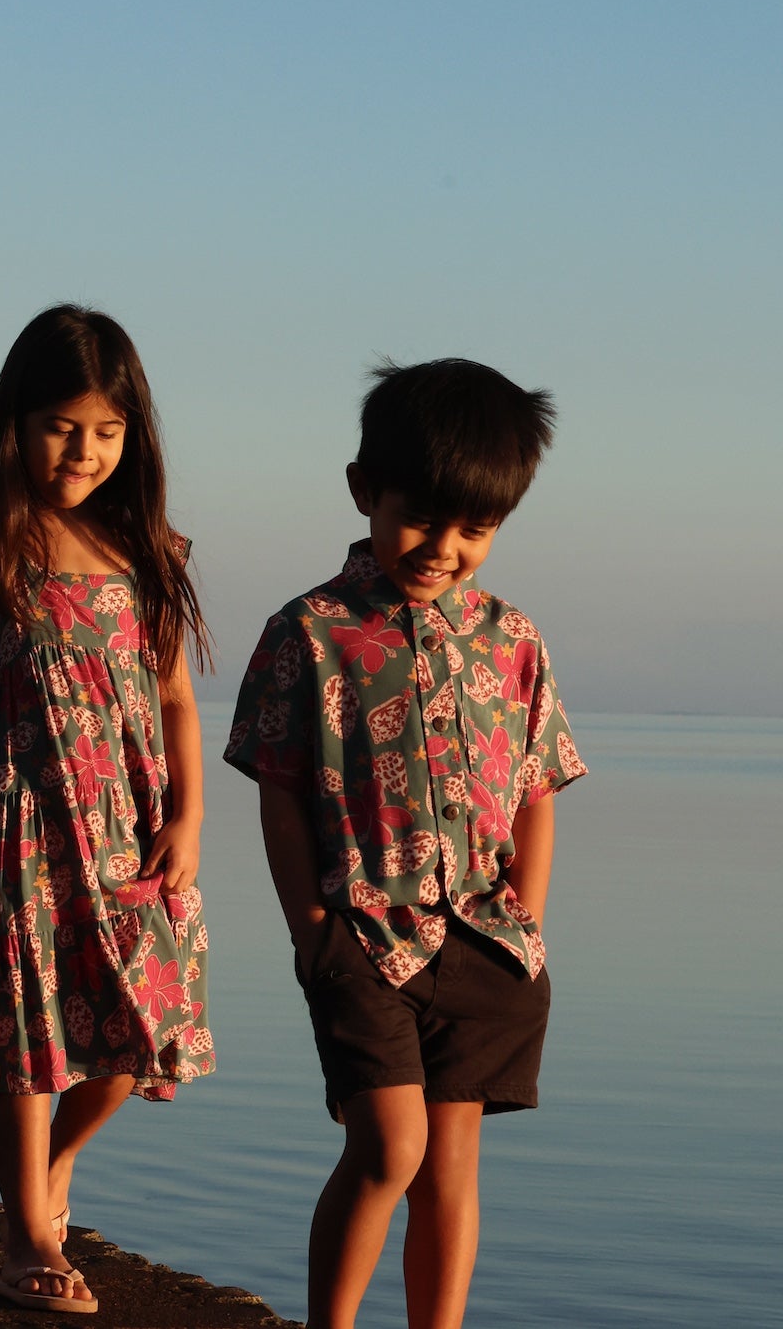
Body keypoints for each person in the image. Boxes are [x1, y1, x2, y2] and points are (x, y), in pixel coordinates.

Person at [224, 357, 586, 1329]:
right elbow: (279, 792)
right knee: (389, 1148)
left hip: (487, 942)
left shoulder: (512, 639)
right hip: (361, 935)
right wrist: (311, 930)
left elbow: (537, 790)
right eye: (421, 517)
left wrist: (528, 919)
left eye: (475, 528)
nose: (444, 547)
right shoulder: (310, 631)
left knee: (450, 1167)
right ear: (364, 491)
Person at [0, 305, 214, 1316]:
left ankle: (51, 1167)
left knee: (145, 1030)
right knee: (25, 1039)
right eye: (60, 426)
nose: (83, 451)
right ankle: (25, 1238)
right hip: (16, 826)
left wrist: (188, 819)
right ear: (16, 423)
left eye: (106, 431)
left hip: (131, 830)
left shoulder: (148, 550)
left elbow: (176, 702)